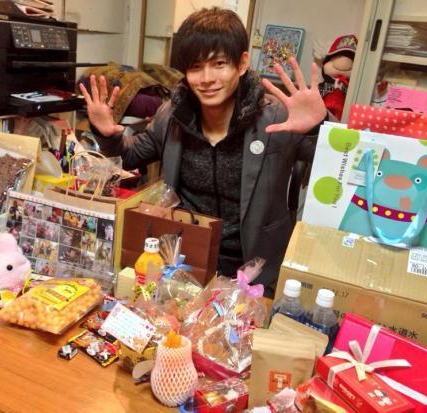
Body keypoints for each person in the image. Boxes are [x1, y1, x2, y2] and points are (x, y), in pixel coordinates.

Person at [80, 7, 327, 297]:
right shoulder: (172, 115)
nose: (207, 78)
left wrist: (318, 127)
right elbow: (131, 155)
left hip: (256, 266)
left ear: (241, 64)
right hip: (184, 262)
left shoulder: (275, 117)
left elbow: (328, 168)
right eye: (196, 67)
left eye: (219, 64)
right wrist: (106, 134)